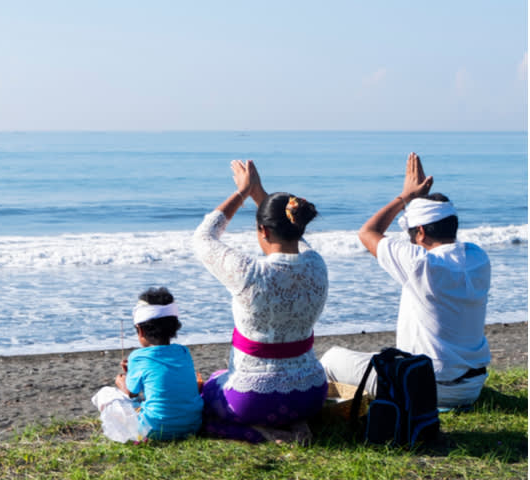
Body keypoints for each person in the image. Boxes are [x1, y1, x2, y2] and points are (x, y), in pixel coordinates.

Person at [320, 152, 491, 409]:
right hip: (471, 387)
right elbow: (409, 239)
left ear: (420, 232)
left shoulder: (421, 264)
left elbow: (368, 233)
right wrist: (419, 203)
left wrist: (406, 196)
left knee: (332, 358)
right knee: (377, 358)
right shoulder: (478, 257)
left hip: (423, 387)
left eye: (412, 233)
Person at [192, 159, 328, 444]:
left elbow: (203, 238)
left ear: (263, 231)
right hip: (312, 394)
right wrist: (261, 196)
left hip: (252, 401)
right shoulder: (317, 265)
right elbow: (296, 238)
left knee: (200, 403)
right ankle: (298, 424)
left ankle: (267, 435)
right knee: (224, 377)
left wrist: (243, 192)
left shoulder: (250, 272)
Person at [91, 287, 203, 442]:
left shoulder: (138, 356)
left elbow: (132, 392)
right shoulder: (183, 352)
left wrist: (122, 382)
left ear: (141, 331)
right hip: (192, 426)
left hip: (154, 431)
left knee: (105, 393)